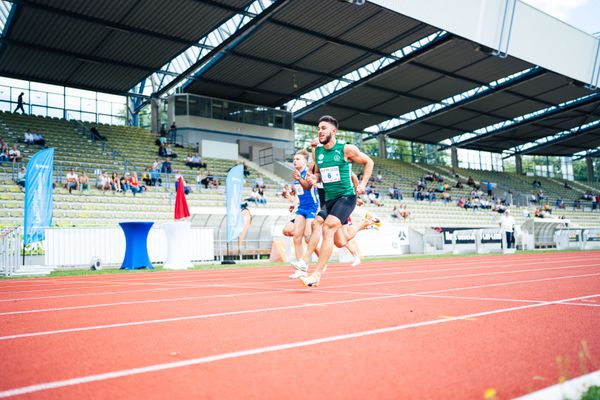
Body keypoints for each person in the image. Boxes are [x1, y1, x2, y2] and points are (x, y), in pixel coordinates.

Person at [296, 115, 380, 287]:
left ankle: (316, 274)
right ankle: (365, 223)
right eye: (318, 128)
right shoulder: (317, 151)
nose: (320, 131)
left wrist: (362, 184)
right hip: (330, 198)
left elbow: (369, 162)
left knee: (327, 228)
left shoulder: (345, 149)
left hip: (347, 197)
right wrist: (314, 178)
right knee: (340, 241)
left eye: (324, 128)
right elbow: (319, 173)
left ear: (333, 131)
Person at [286, 149, 320, 278]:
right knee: (296, 237)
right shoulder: (295, 176)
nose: (295, 161)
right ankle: (301, 268)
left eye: (298, 159)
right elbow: (300, 195)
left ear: (305, 161)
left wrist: (300, 178)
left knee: (307, 237)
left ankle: (320, 257)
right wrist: (293, 204)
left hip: (312, 207)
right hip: (302, 208)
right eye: (294, 159)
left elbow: (308, 187)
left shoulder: (308, 173)